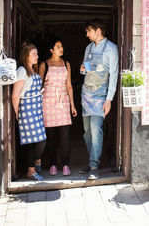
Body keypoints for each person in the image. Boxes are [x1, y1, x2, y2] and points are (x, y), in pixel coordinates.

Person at [79, 19, 118, 180]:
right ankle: (93, 159)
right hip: (86, 95)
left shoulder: (111, 49)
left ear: (98, 31)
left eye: (89, 31)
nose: (87, 34)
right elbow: (86, 68)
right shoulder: (88, 48)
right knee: (87, 132)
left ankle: (94, 165)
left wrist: (109, 99)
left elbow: (114, 75)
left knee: (96, 129)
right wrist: (83, 70)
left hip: (101, 96)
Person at [39, 38, 77, 176]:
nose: (61, 48)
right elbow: (40, 85)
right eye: (58, 46)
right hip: (48, 103)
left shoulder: (66, 64)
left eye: (61, 46)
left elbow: (69, 86)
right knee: (51, 136)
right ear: (51, 50)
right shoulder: (44, 64)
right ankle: (53, 164)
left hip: (63, 102)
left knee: (65, 136)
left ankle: (66, 164)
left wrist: (72, 105)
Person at [12, 43, 46, 181]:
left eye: (37, 54)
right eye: (34, 54)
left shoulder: (33, 70)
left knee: (41, 140)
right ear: (26, 56)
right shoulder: (21, 71)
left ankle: (37, 161)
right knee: (30, 142)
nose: (37, 56)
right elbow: (15, 95)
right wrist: (16, 113)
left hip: (36, 110)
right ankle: (30, 171)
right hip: (26, 110)